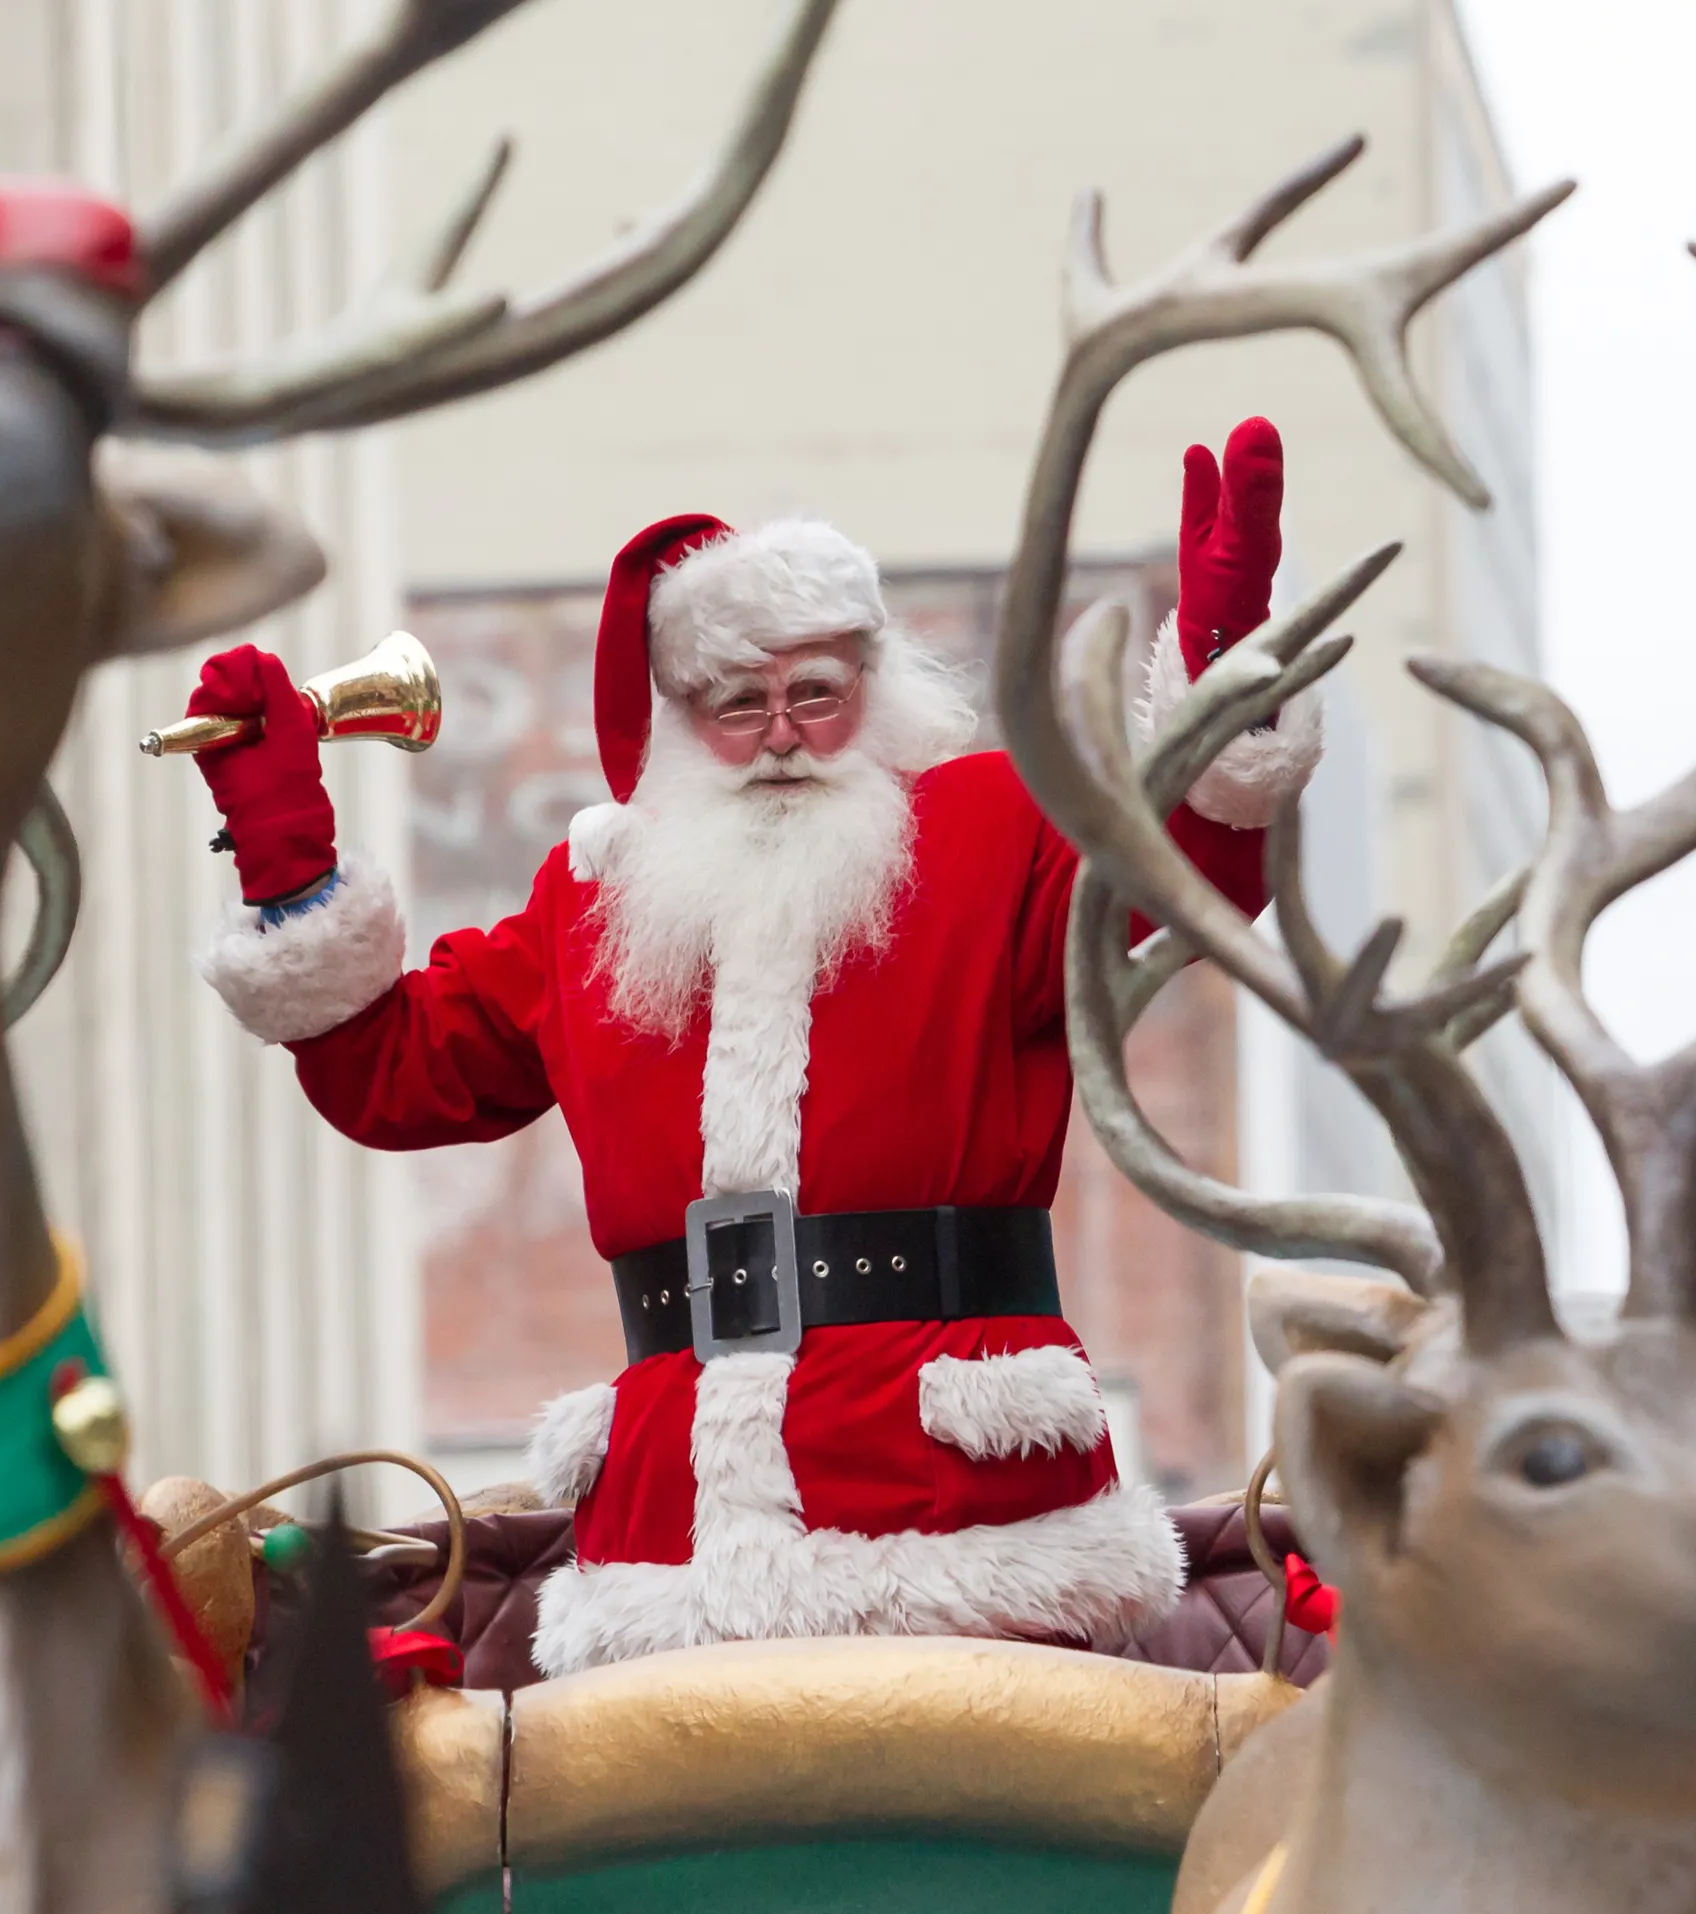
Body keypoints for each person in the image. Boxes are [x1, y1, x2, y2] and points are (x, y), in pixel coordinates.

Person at [189, 419, 1322, 1677]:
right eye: (739, 704)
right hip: (672, 1534)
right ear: (680, 721)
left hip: (958, 1499)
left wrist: (1222, 669)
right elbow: (391, 1072)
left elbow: (1189, 870)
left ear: (872, 690)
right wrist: (285, 842)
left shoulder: (992, 828)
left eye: (815, 695)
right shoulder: (596, 900)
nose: (781, 732)